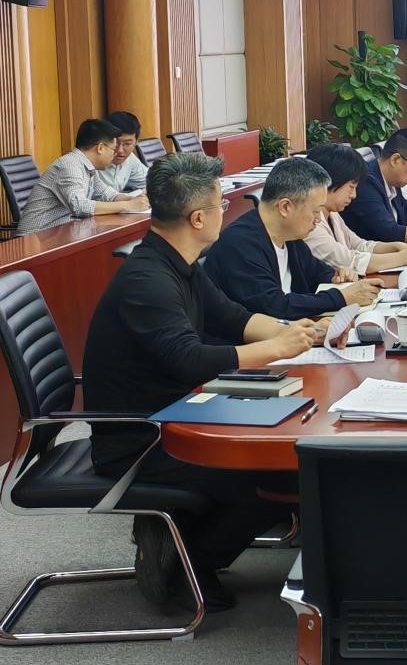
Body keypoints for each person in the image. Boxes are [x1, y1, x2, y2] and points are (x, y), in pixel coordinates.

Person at [83, 152, 325, 611]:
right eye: (220, 205)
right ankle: (182, 567)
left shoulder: (180, 262)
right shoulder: (147, 278)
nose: (225, 213)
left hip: (183, 413)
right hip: (144, 437)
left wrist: (299, 331)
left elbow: (232, 317)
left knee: (288, 459)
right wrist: (278, 347)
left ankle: (183, 540)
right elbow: (189, 359)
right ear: (198, 218)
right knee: (275, 476)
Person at [204, 157, 382, 320]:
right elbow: (274, 306)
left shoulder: (290, 236)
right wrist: (340, 297)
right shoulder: (240, 244)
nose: (318, 219)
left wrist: (337, 276)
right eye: (315, 211)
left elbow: (317, 272)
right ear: (285, 207)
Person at [304, 144, 407, 275]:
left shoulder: (333, 214)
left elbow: (359, 245)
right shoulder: (310, 223)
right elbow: (350, 261)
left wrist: (395, 247)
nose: (354, 195)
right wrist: (401, 258)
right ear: (330, 181)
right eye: (351, 187)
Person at [16, 118, 149, 234]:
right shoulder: (70, 165)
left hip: (60, 234)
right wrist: (127, 205)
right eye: (113, 150)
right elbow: (80, 206)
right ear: (100, 148)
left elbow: (108, 194)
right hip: (35, 239)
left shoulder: (89, 168)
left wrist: (134, 199)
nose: (115, 155)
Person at [98, 110, 148, 194]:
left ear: (136, 142)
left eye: (127, 144)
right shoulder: (93, 163)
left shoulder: (130, 159)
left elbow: (155, 181)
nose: (120, 150)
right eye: (116, 143)